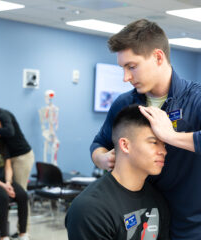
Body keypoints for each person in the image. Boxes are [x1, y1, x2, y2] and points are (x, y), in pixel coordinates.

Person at [90, 18, 201, 239]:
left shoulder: (196, 100)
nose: (126, 77)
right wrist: (103, 159)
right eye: (123, 68)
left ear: (158, 57)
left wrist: (170, 136)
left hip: (188, 227)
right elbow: (98, 144)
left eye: (132, 67)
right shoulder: (124, 103)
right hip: (140, 222)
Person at [66, 105, 170, 239]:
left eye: (164, 144)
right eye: (154, 142)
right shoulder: (89, 209)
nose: (164, 151)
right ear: (125, 145)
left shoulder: (157, 200)